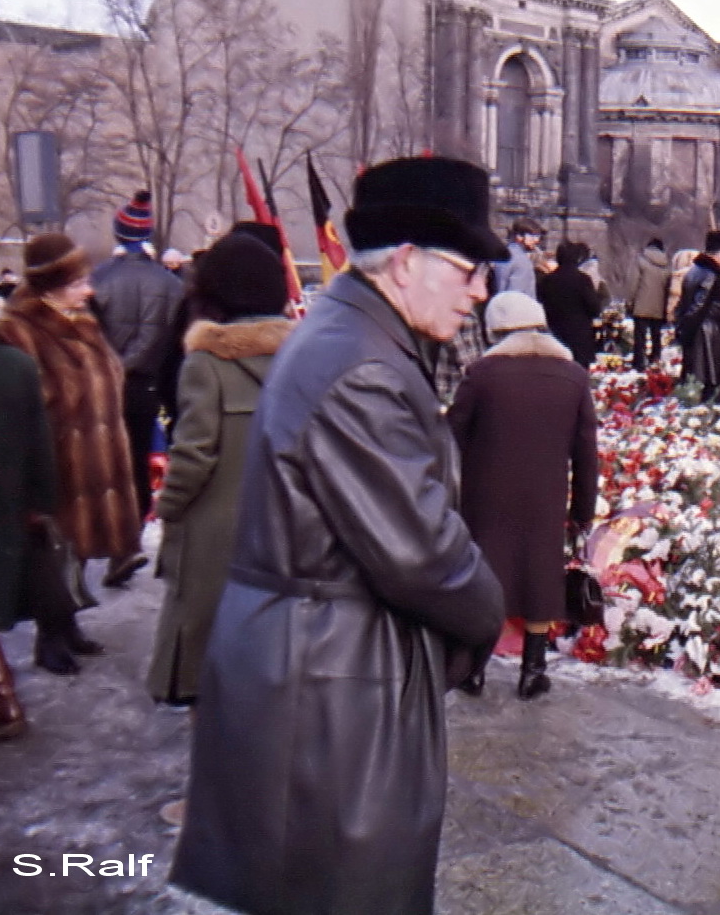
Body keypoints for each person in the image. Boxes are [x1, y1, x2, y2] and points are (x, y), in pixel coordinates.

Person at [169, 156, 507, 915]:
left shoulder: (350, 334)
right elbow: (424, 558)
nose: (481, 289)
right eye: (469, 269)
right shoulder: (361, 366)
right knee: (346, 892)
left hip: (316, 664)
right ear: (407, 261)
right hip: (329, 686)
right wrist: (492, 613)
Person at [146, 233, 294, 708]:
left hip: (215, 532)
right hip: (283, 525)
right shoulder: (302, 357)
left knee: (207, 663)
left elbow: (193, 455)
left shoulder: (205, 364)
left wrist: (166, 506)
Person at [448, 290, 598, 699]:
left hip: (484, 494)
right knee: (539, 576)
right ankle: (533, 669)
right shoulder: (573, 377)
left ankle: (473, 668)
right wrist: (583, 510)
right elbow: (586, 451)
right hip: (546, 496)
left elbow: (452, 438)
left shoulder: (481, 375)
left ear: (496, 329)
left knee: (485, 574)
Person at [0, 233, 135, 671]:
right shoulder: (17, 330)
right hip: (56, 461)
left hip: (95, 459)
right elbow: (23, 401)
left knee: (73, 552)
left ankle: (68, 624)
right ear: (51, 284)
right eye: (78, 282)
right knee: (51, 554)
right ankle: (49, 636)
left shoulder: (83, 321)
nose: (89, 290)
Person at [89, 190, 185, 560]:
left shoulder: (97, 280)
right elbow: (175, 348)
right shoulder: (172, 285)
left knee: (108, 461)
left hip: (104, 386)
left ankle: (111, 541)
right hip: (148, 386)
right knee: (140, 456)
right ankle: (132, 539)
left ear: (117, 234)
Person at [0, 319, 59, 739]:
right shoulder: (17, 364)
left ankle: (1, 699)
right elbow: (39, 442)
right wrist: (40, 502)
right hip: (6, 501)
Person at [673, 230, 720, 402]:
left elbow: (682, 306)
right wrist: (687, 331)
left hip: (698, 332)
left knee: (695, 379)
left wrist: (682, 328)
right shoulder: (710, 275)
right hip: (707, 334)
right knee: (709, 382)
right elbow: (698, 306)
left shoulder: (694, 271)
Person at [537, 240, 605, 368]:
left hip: (554, 334)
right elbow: (594, 308)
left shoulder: (547, 280)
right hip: (579, 336)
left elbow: (540, 304)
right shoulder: (583, 279)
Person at [629, 237, 673, 370]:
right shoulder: (666, 265)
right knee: (656, 335)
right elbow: (668, 287)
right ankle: (655, 359)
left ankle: (639, 362)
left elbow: (633, 283)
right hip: (659, 305)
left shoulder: (640, 260)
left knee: (640, 336)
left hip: (642, 304)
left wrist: (631, 301)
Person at [490, 219, 543, 297]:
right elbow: (516, 297)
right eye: (532, 236)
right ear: (519, 236)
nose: (536, 240)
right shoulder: (522, 262)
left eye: (538, 236)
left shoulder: (503, 255)